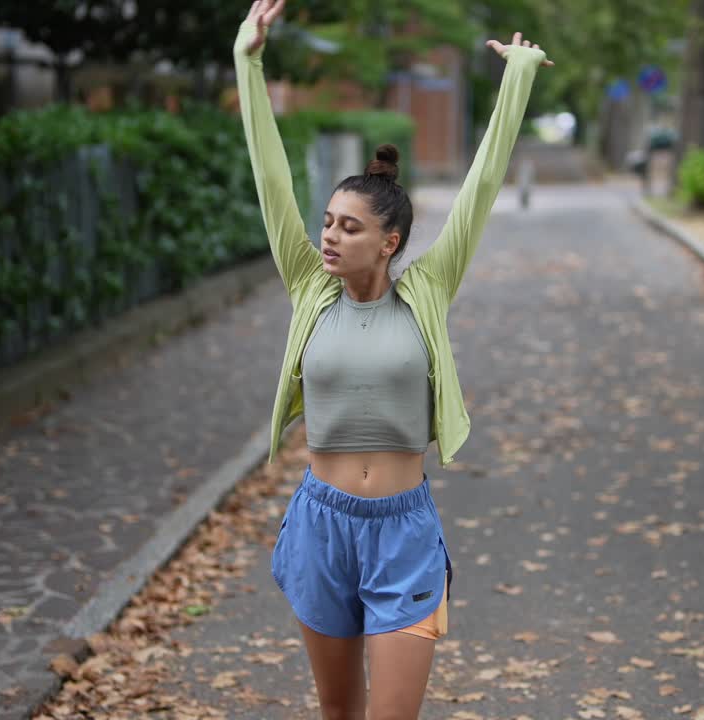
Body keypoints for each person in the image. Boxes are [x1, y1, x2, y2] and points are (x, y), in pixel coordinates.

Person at [234, 2, 550, 717]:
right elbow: (270, 178)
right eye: (327, 223)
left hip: (403, 531)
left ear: (390, 243)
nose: (329, 237)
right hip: (322, 523)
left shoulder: (429, 290)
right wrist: (247, 61)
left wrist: (517, 81)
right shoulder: (309, 287)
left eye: (350, 227)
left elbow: (481, 189)